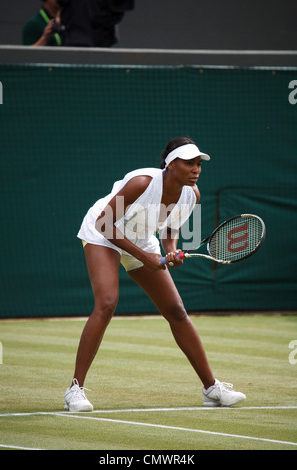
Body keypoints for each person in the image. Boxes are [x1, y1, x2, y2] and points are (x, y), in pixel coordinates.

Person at [64, 137, 246, 412]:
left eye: (198, 164)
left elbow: (170, 232)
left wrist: (170, 252)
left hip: (141, 237)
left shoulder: (192, 194)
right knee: (106, 303)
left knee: (176, 310)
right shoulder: (143, 183)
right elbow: (104, 223)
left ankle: (211, 388)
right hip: (103, 233)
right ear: (171, 165)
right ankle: (75, 390)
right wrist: (144, 257)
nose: (196, 169)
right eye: (189, 163)